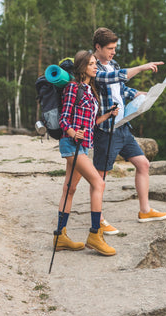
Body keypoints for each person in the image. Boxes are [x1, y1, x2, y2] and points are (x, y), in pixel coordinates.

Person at [92, 27, 166, 234]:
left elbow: (120, 88)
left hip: (123, 125)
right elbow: (114, 78)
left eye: (115, 48)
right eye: (110, 48)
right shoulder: (92, 67)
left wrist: (137, 94)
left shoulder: (113, 63)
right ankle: (97, 219)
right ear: (97, 47)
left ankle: (145, 211)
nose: (113, 52)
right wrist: (142, 67)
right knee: (100, 177)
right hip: (106, 129)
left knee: (143, 164)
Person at [53, 50, 119, 256]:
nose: (95, 67)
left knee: (70, 189)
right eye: (91, 64)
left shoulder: (90, 91)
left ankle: (60, 236)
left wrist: (108, 114)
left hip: (83, 145)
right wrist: (74, 133)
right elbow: (63, 119)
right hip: (71, 144)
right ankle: (94, 235)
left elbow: (91, 124)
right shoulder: (73, 88)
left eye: (95, 64)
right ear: (82, 67)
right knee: (98, 183)